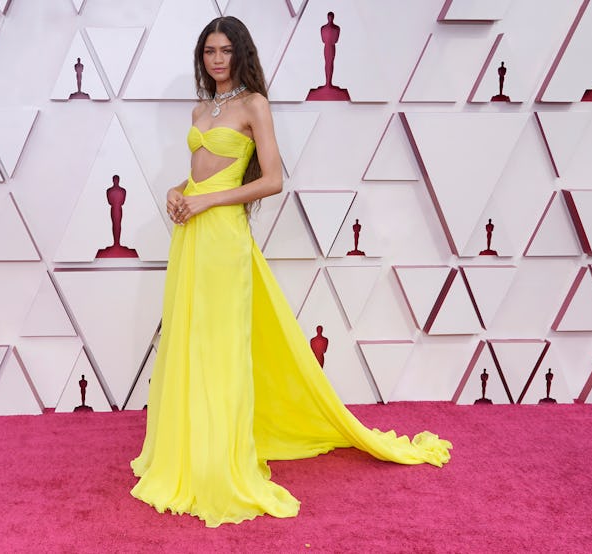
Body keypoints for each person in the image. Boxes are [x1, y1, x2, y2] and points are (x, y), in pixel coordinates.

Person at [130, 16, 452, 528]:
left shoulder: (253, 105)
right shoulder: (199, 109)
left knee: (223, 347)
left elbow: (273, 180)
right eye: (209, 51)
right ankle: (187, 450)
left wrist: (210, 202)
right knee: (190, 342)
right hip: (191, 237)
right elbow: (198, 175)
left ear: (240, 55)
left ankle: (221, 460)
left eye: (225, 50)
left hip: (224, 239)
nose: (216, 59)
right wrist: (177, 192)